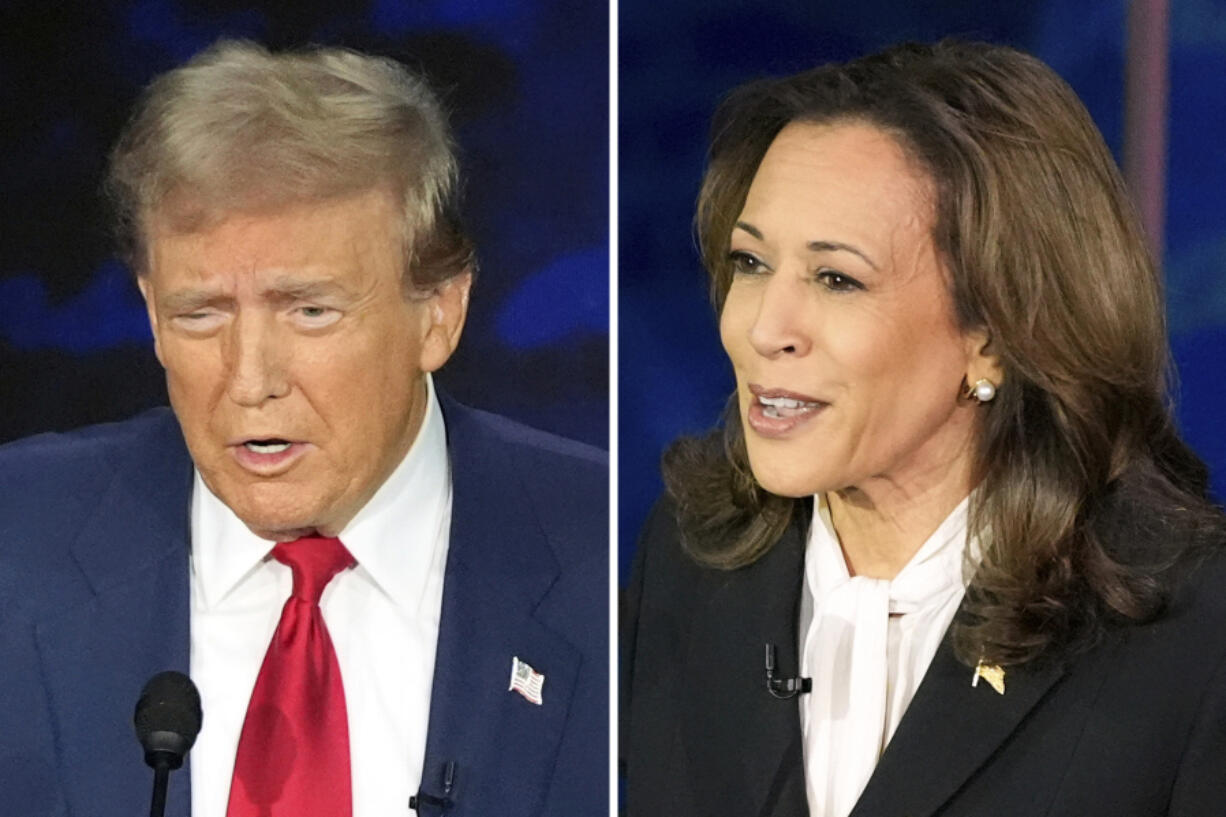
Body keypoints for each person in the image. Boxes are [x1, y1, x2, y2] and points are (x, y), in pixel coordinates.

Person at [0, 40, 606, 817]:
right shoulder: (17, 542)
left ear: (439, 313)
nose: (250, 380)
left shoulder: (607, 558)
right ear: (151, 312)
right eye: (201, 313)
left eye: (310, 311)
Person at [621, 40, 1226, 817]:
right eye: (750, 263)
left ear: (997, 332)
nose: (764, 327)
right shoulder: (687, 558)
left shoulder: (1190, 631)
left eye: (836, 278)